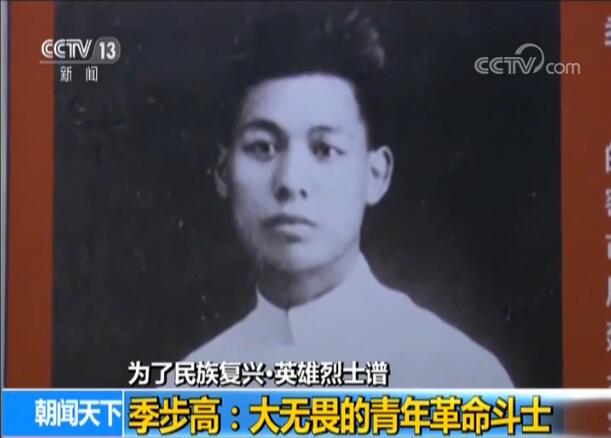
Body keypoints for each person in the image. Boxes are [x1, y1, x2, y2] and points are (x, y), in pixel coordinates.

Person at [178, 6, 513, 387]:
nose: (290, 181)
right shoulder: (188, 388)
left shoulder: (460, 376)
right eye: (263, 147)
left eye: (325, 149)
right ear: (223, 172)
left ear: (376, 175)